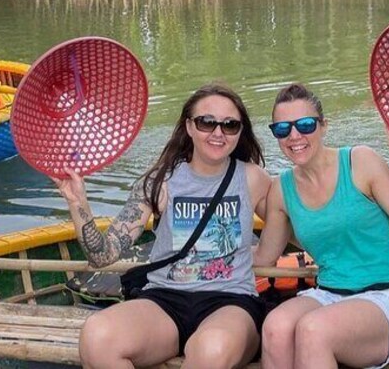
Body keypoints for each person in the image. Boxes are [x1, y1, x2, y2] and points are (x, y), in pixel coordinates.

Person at [51, 83, 272, 368]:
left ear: (240, 132)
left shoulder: (254, 179)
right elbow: (102, 256)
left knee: (210, 349)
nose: (218, 133)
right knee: (97, 335)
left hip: (230, 302)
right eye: (207, 122)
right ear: (189, 126)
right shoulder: (160, 181)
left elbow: (296, 223)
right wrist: (77, 201)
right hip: (164, 301)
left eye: (230, 125)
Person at [254, 83, 389, 369]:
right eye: (283, 129)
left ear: (324, 126)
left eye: (306, 124)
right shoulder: (281, 189)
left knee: (313, 329)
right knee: (275, 326)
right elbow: (263, 256)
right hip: (329, 294)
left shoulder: (360, 162)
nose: (295, 136)